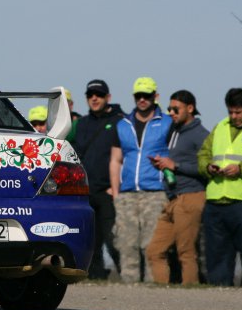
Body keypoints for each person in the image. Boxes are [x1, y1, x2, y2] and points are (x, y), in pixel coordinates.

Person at [110, 77, 172, 283]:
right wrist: (116, 193)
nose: (142, 99)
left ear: (156, 96)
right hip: (127, 193)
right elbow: (115, 160)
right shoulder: (122, 125)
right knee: (126, 243)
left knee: (152, 244)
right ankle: (130, 286)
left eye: (147, 95)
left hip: (156, 191)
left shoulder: (167, 123)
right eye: (138, 96)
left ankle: (153, 286)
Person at [145, 90, 209, 284]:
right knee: (154, 251)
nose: (171, 112)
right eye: (169, 109)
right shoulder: (174, 131)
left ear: (190, 108)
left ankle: (191, 293)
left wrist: (176, 166)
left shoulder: (201, 134)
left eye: (176, 109)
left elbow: (206, 168)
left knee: (186, 252)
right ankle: (162, 294)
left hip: (191, 196)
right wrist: (163, 164)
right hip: (173, 198)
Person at [73, 79, 125, 279]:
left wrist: (116, 187)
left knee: (114, 240)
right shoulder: (81, 124)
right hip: (85, 193)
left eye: (99, 95)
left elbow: (126, 156)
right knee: (90, 241)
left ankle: (129, 277)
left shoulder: (120, 122)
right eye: (90, 95)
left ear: (108, 97)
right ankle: (95, 278)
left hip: (107, 192)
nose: (94, 98)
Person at [197, 87, 242, 286]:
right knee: (217, 255)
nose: (234, 116)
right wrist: (208, 167)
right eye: (230, 111)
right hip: (216, 201)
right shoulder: (219, 127)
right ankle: (219, 294)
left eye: (238, 112)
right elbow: (203, 154)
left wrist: (241, 169)